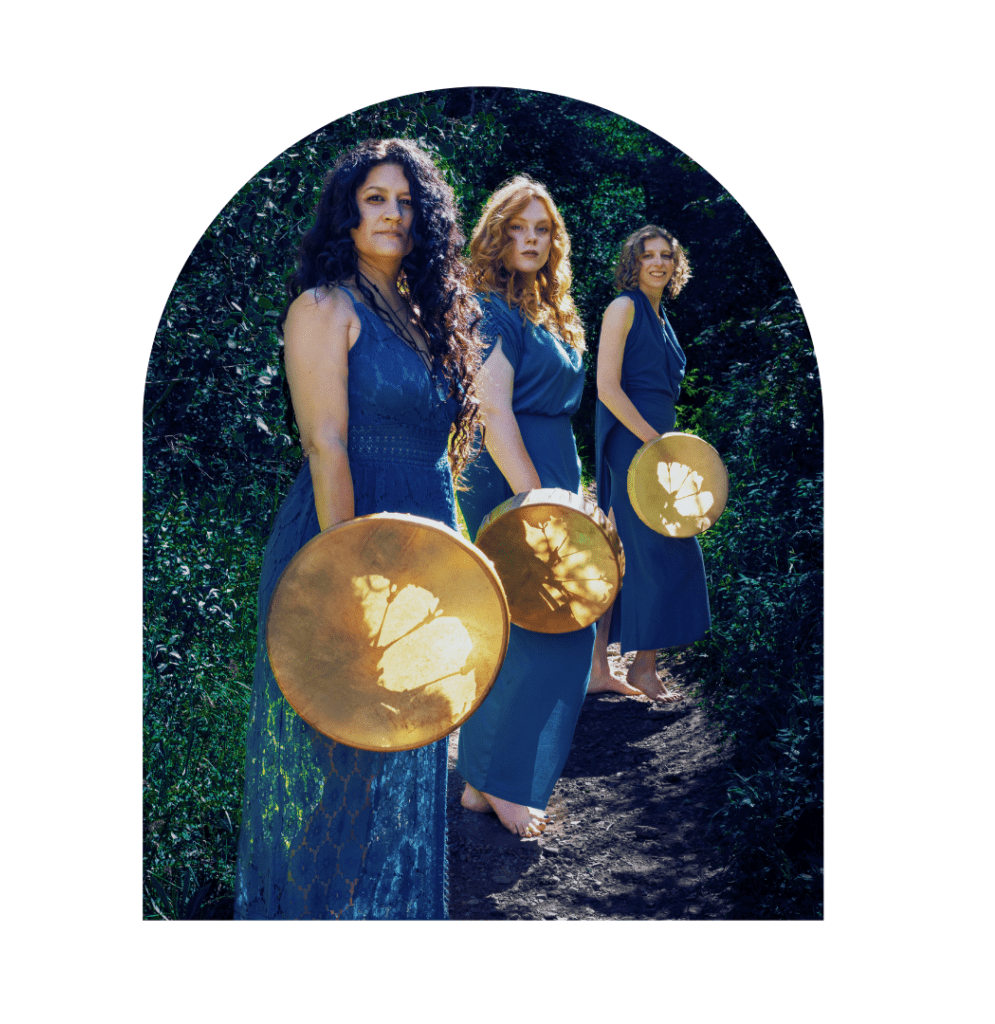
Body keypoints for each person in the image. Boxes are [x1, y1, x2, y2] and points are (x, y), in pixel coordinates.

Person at [234, 139, 481, 920]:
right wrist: (349, 577)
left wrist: (460, 561)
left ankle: (381, 918)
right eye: (377, 198)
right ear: (348, 212)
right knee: (344, 751)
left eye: (407, 202)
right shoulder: (323, 308)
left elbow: (441, 457)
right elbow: (326, 445)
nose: (394, 214)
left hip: (424, 541)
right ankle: (311, 921)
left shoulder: (425, 312)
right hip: (348, 536)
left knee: (407, 741)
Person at [455, 176, 595, 838]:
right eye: (517, 228)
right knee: (542, 629)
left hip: (553, 471)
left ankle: (485, 783)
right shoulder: (487, 306)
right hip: (513, 478)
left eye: (542, 229)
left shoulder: (555, 309)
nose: (531, 240)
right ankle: (504, 782)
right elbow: (493, 412)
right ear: (496, 234)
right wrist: (537, 503)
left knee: (556, 625)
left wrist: (572, 492)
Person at [590, 226, 711, 703]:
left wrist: (669, 447)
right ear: (633, 263)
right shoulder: (623, 308)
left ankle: (634, 666)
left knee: (640, 554)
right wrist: (653, 443)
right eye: (647, 256)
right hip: (634, 444)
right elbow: (607, 387)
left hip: (661, 447)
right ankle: (609, 667)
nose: (658, 263)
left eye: (666, 255)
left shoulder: (663, 317)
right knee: (635, 553)